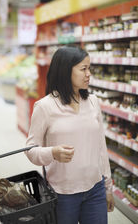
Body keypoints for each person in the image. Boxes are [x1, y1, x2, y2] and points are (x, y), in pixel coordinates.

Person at [25, 46, 114, 224]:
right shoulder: (45, 107)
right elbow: (30, 150)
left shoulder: (93, 102)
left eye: (89, 68)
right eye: (83, 69)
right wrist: (52, 153)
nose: (89, 74)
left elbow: (100, 148)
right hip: (62, 194)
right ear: (66, 70)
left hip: (95, 189)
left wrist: (108, 187)